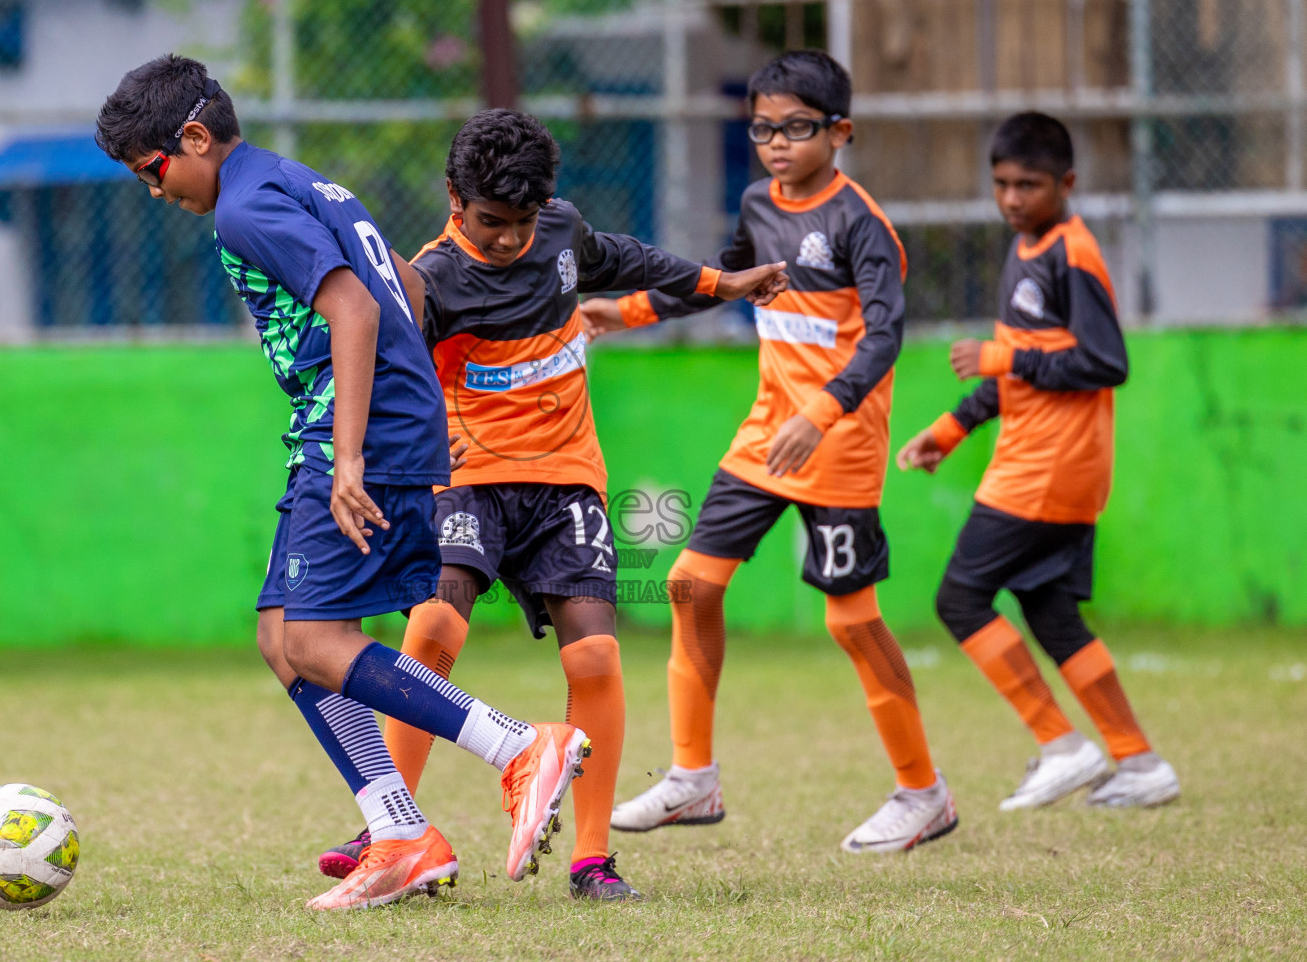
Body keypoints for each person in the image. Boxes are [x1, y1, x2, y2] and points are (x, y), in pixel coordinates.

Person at [95, 55, 590, 910]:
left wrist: (354, 454)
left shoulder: (247, 208)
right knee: (283, 634)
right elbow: (400, 278)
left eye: (152, 169)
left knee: (320, 641)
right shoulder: (295, 181)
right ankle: (400, 833)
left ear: (195, 138)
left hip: (358, 435)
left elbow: (356, 308)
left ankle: (517, 746)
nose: (153, 189)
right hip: (360, 423)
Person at [316, 108, 788, 899]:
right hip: (468, 479)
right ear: (454, 198)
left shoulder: (561, 234)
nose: (508, 238)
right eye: (491, 221)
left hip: (566, 478)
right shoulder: (432, 281)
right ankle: (392, 830)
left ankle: (591, 861)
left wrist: (723, 284)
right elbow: (381, 366)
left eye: (523, 220)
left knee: (594, 654)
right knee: (432, 624)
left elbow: (630, 260)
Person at [582, 49, 957, 853]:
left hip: (839, 444)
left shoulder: (863, 224)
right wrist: (626, 312)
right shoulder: (758, 202)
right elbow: (725, 280)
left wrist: (820, 413)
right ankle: (692, 779)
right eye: (762, 128)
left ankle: (923, 793)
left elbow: (887, 335)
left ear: (840, 132)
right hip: (763, 436)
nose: (777, 142)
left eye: (795, 127)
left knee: (852, 623)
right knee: (688, 584)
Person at [896, 111, 1180, 810]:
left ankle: (1062, 744)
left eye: (1029, 184)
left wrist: (1006, 355)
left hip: (1049, 469)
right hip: (1042, 466)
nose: (1013, 198)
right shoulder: (1026, 249)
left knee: (959, 599)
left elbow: (1106, 361)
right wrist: (950, 429)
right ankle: (1140, 764)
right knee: (1053, 617)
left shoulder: (1071, 253)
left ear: (1067, 183)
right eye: (1002, 184)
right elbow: (1019, 373)